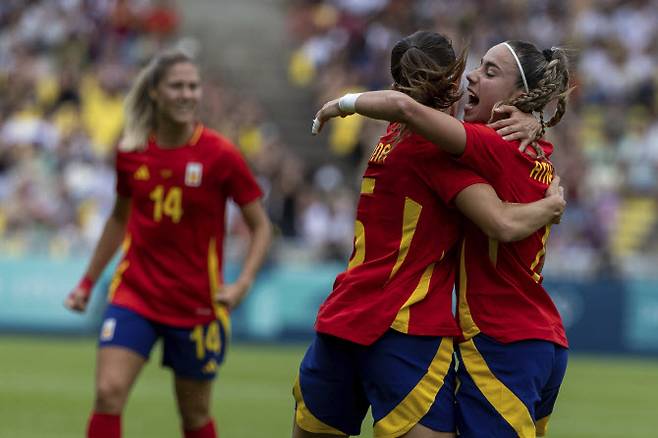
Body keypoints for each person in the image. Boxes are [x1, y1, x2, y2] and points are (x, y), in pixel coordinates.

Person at [295, 32, 564, 438]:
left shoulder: (390, 139)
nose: (473, 78)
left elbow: (410, 112)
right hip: (408, 323)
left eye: (487, 71)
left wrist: (345, 102)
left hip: (344, 313)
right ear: (450, 84)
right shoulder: (447, 151)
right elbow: (501, 221)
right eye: (470, 70)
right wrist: (552, 204)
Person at [65, 49, 272, 438]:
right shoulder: (130, 150)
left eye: (193, 86)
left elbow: (261, 226)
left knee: (194, 414)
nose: (187, 94)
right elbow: (118, 218)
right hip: (135, 293)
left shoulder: (221, 155)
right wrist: (87, 283)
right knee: (108, 392)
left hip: (196, 302)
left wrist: (242, 283)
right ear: (156, 93)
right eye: (177, 86)